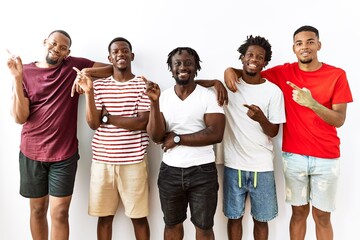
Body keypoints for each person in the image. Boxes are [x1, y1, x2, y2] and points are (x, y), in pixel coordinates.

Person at [224, 25, 353, 240]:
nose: (305, 47)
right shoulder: (284, 72)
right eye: (299, 43)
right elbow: (252, 71)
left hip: (327, 157)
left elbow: (339, 119)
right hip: (294, 156)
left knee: (322, 216)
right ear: (294, 48)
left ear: (318, 45)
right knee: (299, 213)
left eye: (310, 42)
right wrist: (229, 70)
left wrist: (312, 103)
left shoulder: (336, 75)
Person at [6, 30, 111, 240]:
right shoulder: (24, 71)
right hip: (31, 152)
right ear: (45, 42)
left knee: (60, 212)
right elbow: (20, 117)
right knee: (37, 210)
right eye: (53, 43)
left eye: (63, 47)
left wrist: (85, 74)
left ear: (67, 52)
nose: (57, 49)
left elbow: (111, 69)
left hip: (64, 154)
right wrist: (17, 79)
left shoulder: (74, 66)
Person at [73, 37, 151, 240]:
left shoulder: (142, 85)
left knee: (139, 218)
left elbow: (141, 122)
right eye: (115, 52)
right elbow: (93, 123)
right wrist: (89, 92)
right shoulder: (99, 87)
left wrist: (108, 117)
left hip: (133, 162)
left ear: (131, 55)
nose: (120, 54)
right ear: (110, 58)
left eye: (124, 51)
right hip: (103, 163)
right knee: (105, 218)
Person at [145, 47, 226, 240]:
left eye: (188, 63)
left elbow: (215, 133)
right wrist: (154, 103)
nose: (183, 67)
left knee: (204, 227)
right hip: (170, 172)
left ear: (196, 67)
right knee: (172, 225)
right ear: (171, 69)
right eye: (178, 63)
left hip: (203, 172)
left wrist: (178, 138)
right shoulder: (163, 97)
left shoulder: (207, 95)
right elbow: (156, 136)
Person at [220, 35, 285, 240]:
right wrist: (218, 78)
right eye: (250, 55)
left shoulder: (273, 92)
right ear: (242, 57)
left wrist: (261, 119)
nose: (254, 59)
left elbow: (274, 131)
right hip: (234, 164)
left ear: (265, 62)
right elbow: (199, 83)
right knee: (234, 217)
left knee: (261, 219)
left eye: (260, 56)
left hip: (262, 166)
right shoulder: (230, 85)